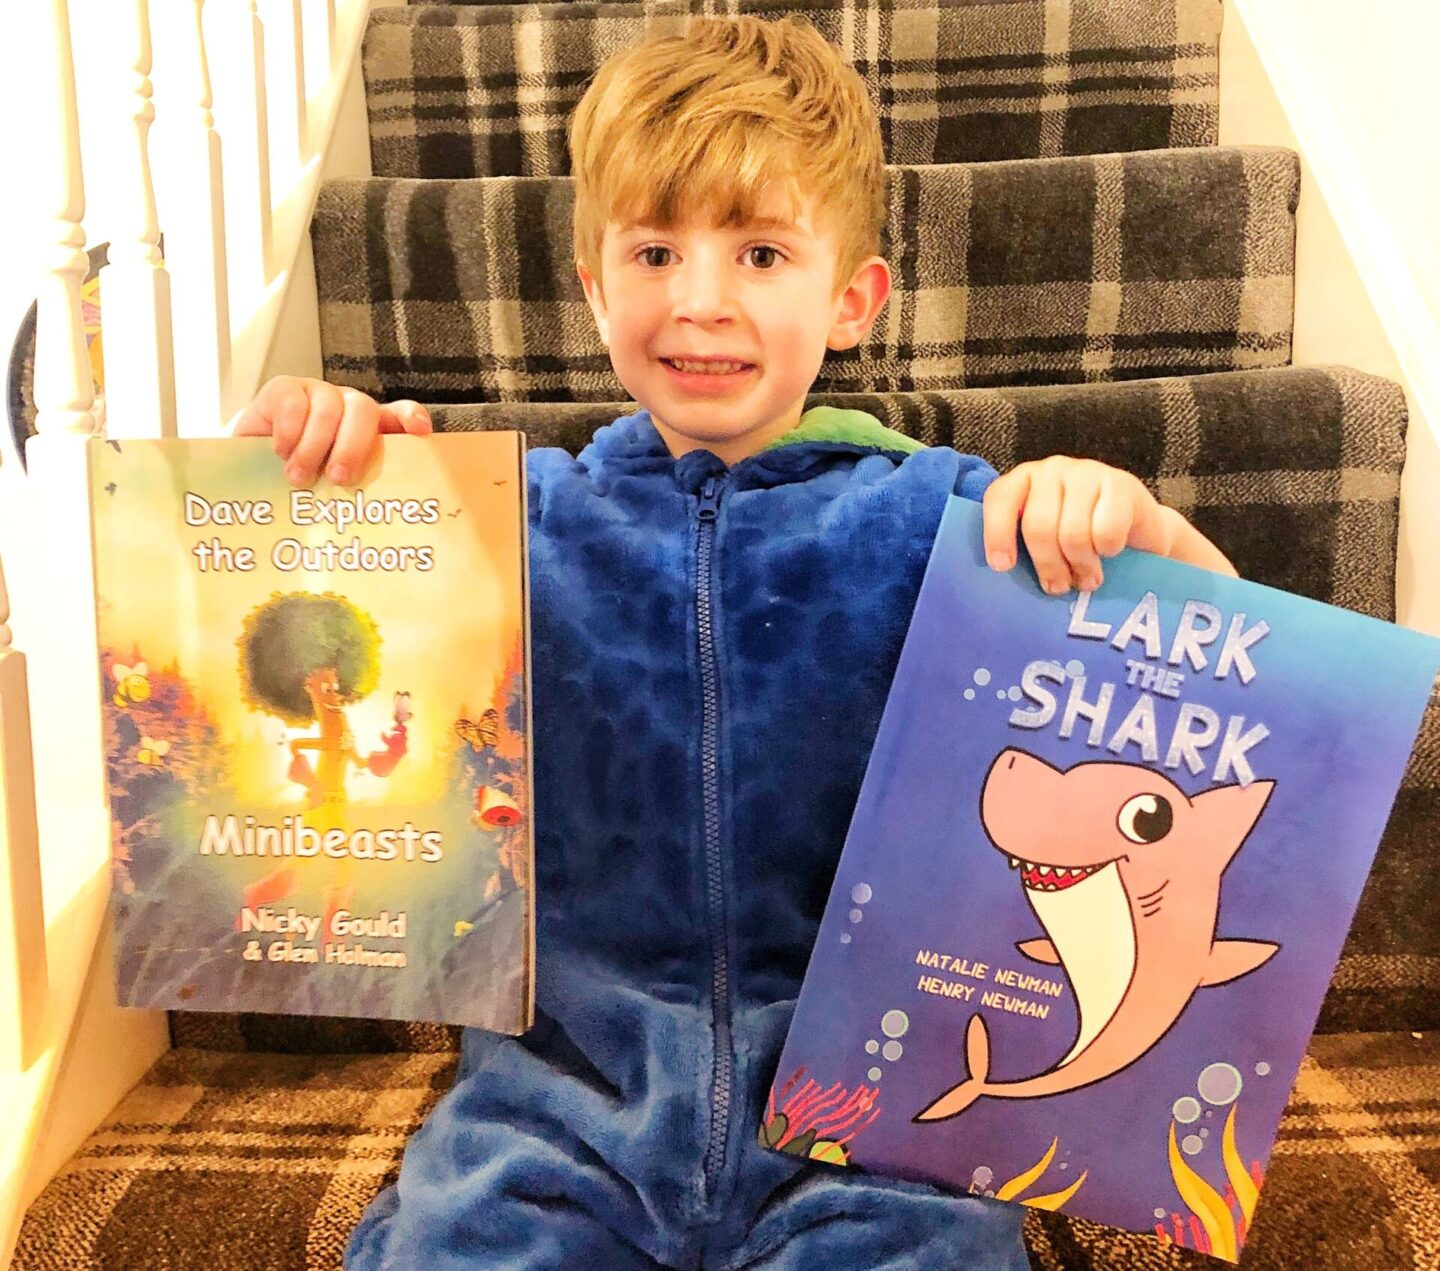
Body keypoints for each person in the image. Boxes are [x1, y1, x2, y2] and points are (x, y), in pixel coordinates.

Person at [233, 15, 1237, 1269]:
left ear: (854, 299)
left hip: (874, 1121)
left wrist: (1141, 526)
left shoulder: (953, 523)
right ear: (595, 287)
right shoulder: (504, 523)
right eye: (655, 249)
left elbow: (1231, 686)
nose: (701, 299)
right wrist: (307, 475)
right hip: (556, 1107)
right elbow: (269, 654)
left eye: (761, 251)